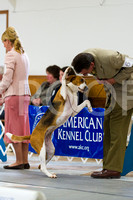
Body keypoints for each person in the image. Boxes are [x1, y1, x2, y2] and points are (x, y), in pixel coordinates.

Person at [72, 48, 133, 178]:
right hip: (113, 94)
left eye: (87, 72)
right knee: (108, 131)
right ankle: (107, 167)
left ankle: (114, 169)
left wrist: (114, 80)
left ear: (91, 65)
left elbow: (131, 64)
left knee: (117, 132)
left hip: (126, 93)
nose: (87, 75)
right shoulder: (86, 58)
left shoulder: (111, 57)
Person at [1, 27, 31, 169]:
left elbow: (7, 77)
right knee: (23, 129)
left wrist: (0, 91)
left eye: (3, 42)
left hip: (14, 95)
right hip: (25, 95)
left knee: (13, 129)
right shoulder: (23, 54)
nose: (3, 45)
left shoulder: (11, 55)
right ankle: (24, 160)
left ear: (8, 41)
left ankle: (18, 161)